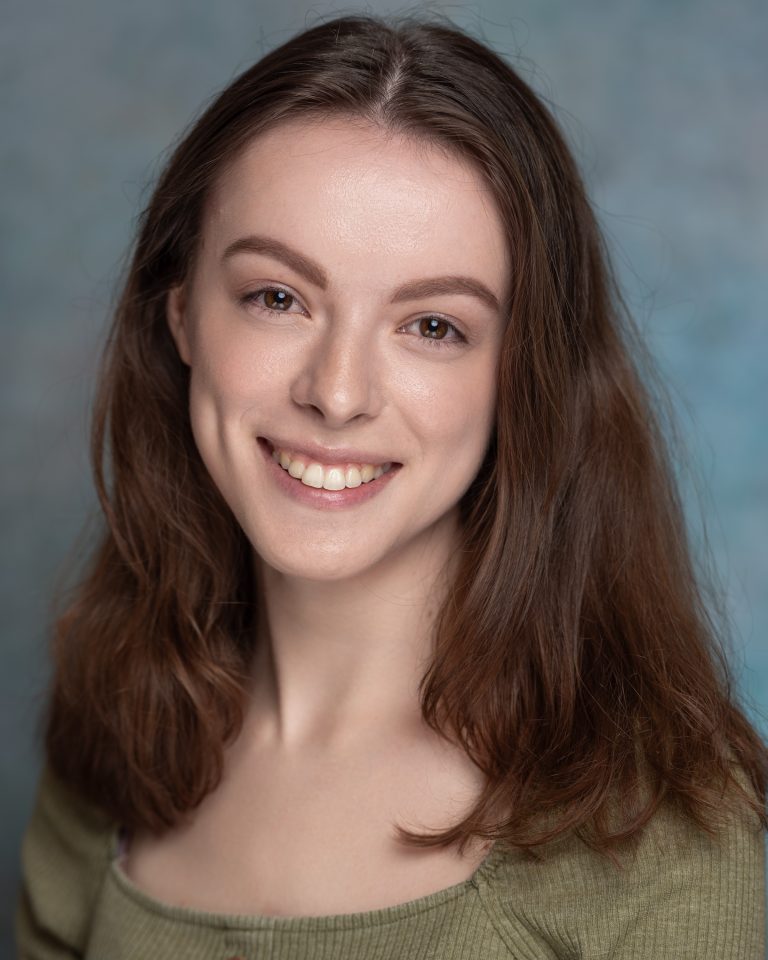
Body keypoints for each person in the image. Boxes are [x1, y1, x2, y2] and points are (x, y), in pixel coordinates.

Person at [15, 12, 767, 959]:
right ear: (180, 321)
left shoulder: (664, 838)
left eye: (434, 327)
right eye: (277, 298)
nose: (336, 394)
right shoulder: (113, 734)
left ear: (521, 378)